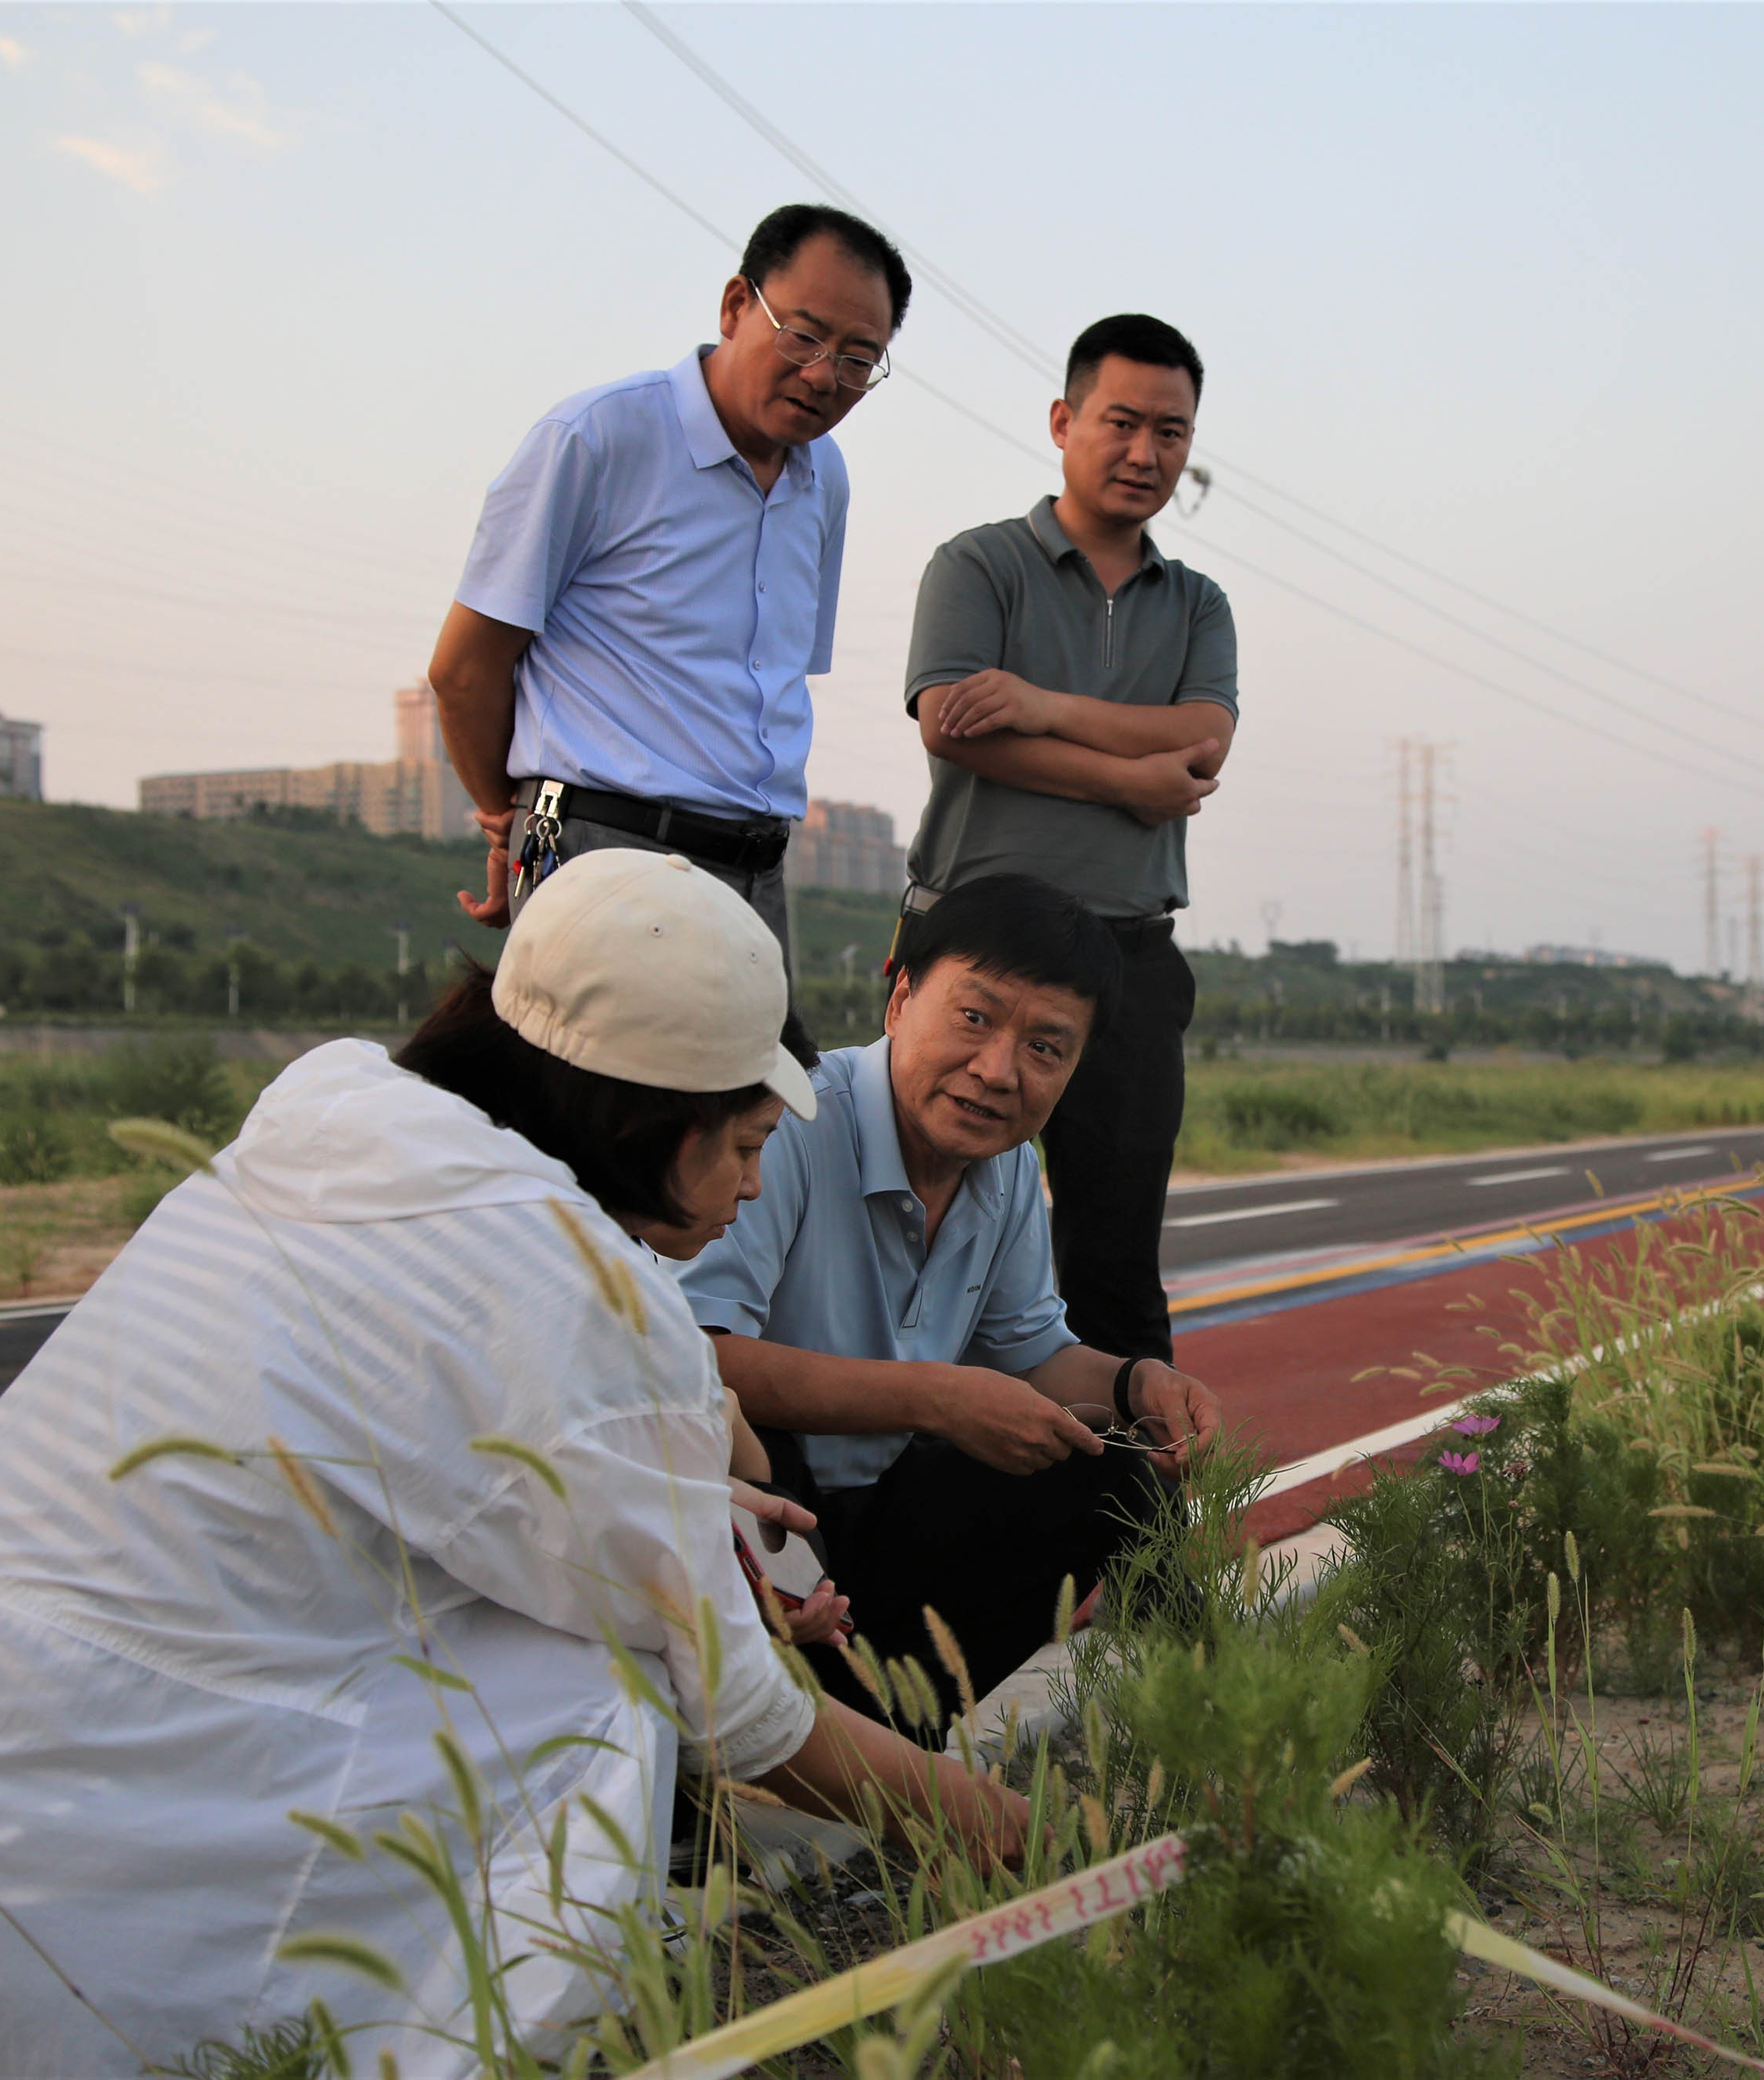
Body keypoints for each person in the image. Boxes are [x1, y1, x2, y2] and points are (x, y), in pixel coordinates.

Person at [0, 851, 1022, 2080]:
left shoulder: (344, 1120)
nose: (751, 1183)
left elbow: (427, 1440)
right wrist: (1007, 1828)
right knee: (609, 1683)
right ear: (651, 1123)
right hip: (83, 1853)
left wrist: (686, 1492)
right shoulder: (575, 1292)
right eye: (744, 1143)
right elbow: (745, 1715)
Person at [676, 873, 1224, 1710]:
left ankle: (1202, 1720)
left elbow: (1029, 1352)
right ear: (900, 1000)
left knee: (1116, 1480)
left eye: (1046, 1048)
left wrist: (1134, 1383)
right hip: (759, 1510)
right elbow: (694, 1358)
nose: (998, 1071)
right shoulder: (790, 1126)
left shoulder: (1008, 1168)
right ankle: (850, 1734)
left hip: (877, 1508)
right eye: (974, 1017)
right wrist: (937, 1399)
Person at [429, 202, 912, 951]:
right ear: (736, 305)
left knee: (772, 1039)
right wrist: (511, 826)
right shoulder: (598, 437)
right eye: (804, 336)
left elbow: (775, 683)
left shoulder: (825, 478)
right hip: (603, 855)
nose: (824, 376)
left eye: (857, 359)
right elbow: (464, 671)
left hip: (757, 870)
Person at [903, 314, 1234, 1367]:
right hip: (976, 949)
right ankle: (916, 1459)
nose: (1145, 453)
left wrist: (1039, 705)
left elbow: (1204, 737)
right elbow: (953, 725)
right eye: (1120, 422)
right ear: (1062, 421)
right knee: (920, 1231)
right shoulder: (979, 565)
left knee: (1114, 1265)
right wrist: (1133, 778)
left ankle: (1123, 1481)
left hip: (1130, 961)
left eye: (1171, 433)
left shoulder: (1196, 604)